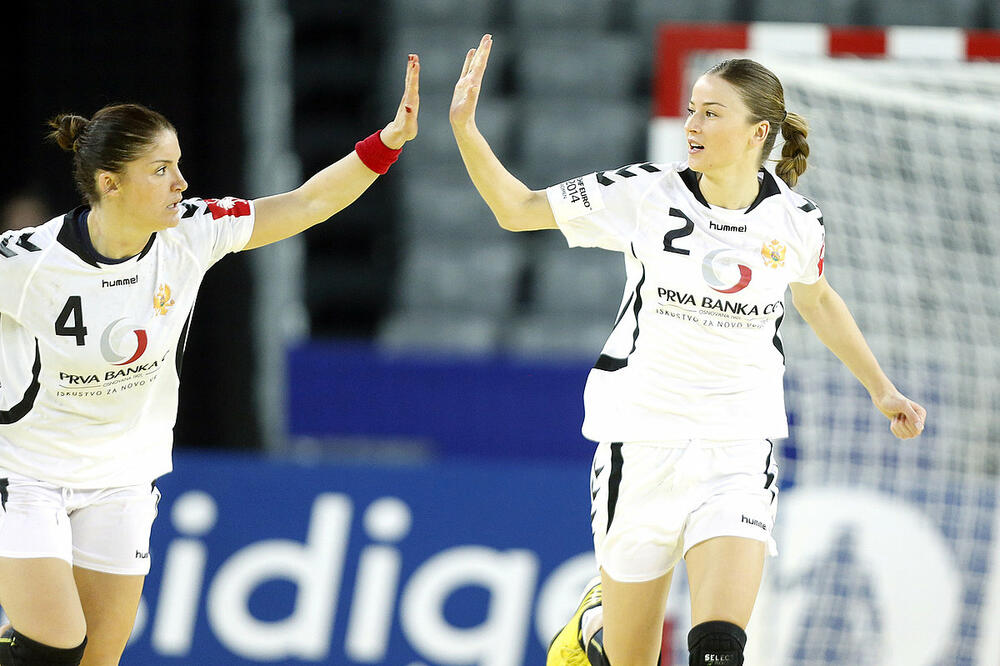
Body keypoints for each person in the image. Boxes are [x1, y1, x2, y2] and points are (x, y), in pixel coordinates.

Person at [450, 35, 925, 666]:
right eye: (692, 108)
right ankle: (597, 627)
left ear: (759, 132)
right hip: (642, 440)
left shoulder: (796, 218)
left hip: (737, 442)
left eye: (711, 113)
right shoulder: (646, 193)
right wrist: (464, 127)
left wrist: (880, 387)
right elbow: (517, 210)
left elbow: (817, 298)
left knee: (720, 648)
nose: (692, 124)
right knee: (631, 659)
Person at [0, 55, 419, 666]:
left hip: (122, 478)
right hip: (26, 475)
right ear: (111, 183)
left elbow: (304, 204)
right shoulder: (28, 259)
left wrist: (388, 142)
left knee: (98, 659)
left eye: (178, 165)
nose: (182, 183)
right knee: (56, 647)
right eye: (162, 169)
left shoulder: (191, 233)